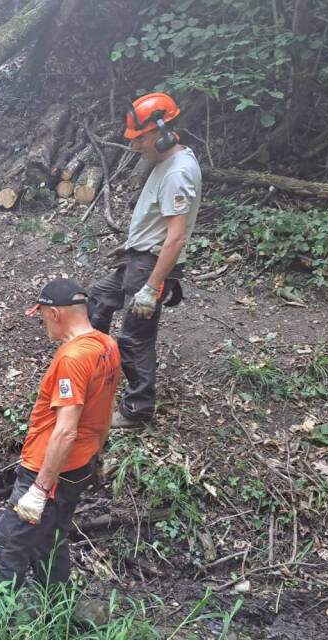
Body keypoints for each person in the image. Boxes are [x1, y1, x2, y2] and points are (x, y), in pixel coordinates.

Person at [0, 278, 120, 592]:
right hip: (79, 466)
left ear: (55, 313)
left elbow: (65, 430)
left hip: (49, 471)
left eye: (42, 315)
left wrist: (39, 489)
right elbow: (107, 406)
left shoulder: (72, 358)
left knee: (6, 544)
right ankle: (56, 608)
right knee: (49, 539)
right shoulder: (107, 345)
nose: (43, 322)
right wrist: (98, 453)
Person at [87, 92, 202, 428]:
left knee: (135, 337)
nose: (134, 146)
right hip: (138, 259)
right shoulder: (168, 162)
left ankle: (137, 410)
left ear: (163, 133)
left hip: (150, 266)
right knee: (98, 298)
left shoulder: (177, 173)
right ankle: (93, 366)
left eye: (140, 139)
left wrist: (152, 288)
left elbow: (176, 238)